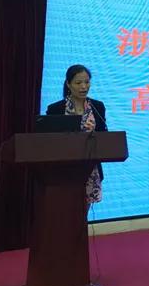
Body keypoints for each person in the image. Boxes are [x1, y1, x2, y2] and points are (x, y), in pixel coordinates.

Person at [46, 64, 107, 204]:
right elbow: (49, 141)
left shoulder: (97, 107)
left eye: (87, 82)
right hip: (63, 169)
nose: (84, 87)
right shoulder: (55, 109)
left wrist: (95, 132)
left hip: (90, 169)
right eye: (78, 83)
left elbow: (105, 137)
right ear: (68, 84)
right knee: (65, 209)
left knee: (83, 211)